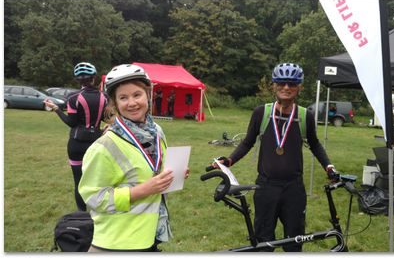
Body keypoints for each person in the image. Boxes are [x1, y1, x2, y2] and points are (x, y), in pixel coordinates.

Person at [211, 63, 337, 252]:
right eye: (282, 83)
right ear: (274, 86)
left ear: (299, 87)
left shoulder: (305, 116)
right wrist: (228, 161)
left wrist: (329, 166)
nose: (286, 87)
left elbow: (315, 143)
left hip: (294, 188)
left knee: (295, 241)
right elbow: (247, 142)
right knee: (263, 242)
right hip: (266, 186)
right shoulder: (261, 113)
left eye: (292, 84)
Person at [78, 64, 189, 252]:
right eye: (123, 98)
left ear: (148, 95)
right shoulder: (104, 146)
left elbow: (149, 170)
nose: (132, 103)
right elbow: (92, 197)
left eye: (137, 95)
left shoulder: (157, 133)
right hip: (117, 242)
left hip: (150, 235)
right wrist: (142, 191)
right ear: (114, 103)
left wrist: (171, 175)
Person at [44, 62, 108, 211]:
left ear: (78, 81)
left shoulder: (73, 98)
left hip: (76, 144)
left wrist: (57, 110)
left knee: (79, 181)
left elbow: (71, 122)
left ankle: (81, 215)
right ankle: (97, 212)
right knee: (95, 180)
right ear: (94, 78)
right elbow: (108, 118)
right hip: (97, 143)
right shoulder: (104, 97)